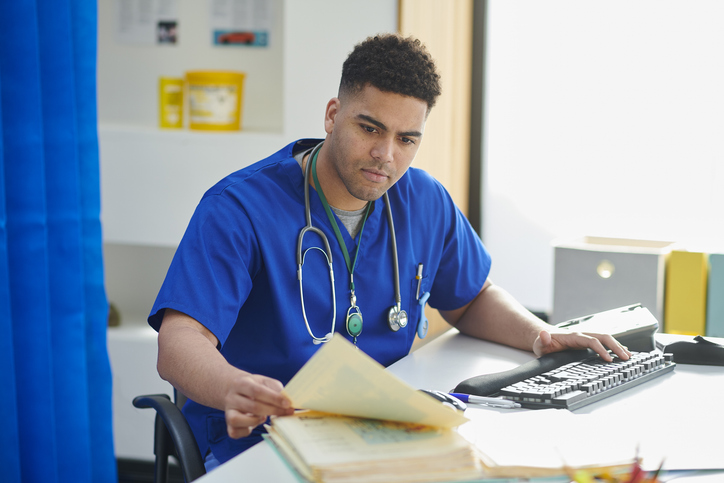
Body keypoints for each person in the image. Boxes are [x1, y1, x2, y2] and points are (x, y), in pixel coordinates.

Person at [149, 33, 631, 469]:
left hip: (380, 436)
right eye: (370, 128)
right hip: (265, 439)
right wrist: (233, 386)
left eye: (406, 139)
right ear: (333, 115)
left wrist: (538, 334)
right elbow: (179, 343)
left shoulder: (422, 200)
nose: (387, 155)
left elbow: (470, 298)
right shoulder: (239, 209)